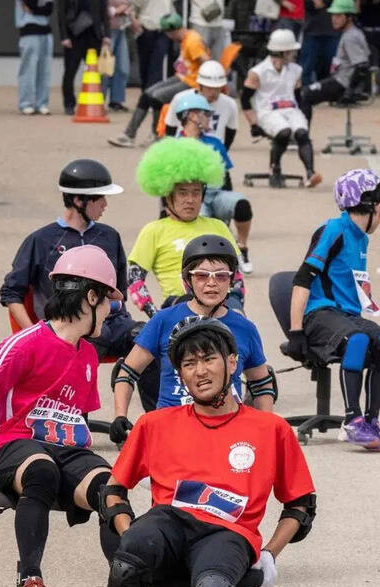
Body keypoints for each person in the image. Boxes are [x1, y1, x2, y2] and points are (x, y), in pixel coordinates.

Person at [88, 317, 316, 587]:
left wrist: (270, 554)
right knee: (126, 564)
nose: (199, 370)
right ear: (180, 375)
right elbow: (113, 491)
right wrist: (128, 535)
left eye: (208, 359)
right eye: (188, 364)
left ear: (231, 362)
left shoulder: (270, 429)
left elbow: (301, 505)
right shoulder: (155, 424)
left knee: (213, 585)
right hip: (169, 522)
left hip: (229, 533)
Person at [0, 246, 126, 587]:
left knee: (111, 490)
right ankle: (30, 582)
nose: (110, 312)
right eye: (107, 303)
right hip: (12, 447)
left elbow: (76, 419)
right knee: (41, 470)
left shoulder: (87, 354)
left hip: (64, 449)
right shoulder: (24, 344)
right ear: (90, 296)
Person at [0, 158, 154, 411]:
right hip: (68, 331)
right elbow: (11, 294)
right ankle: (71, 418)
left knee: (151, 340)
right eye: (99, 198)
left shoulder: (109, 236)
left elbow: (119, 295)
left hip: (110, 325)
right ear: (79, 200)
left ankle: (148, 421)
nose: (105, 204)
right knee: (82, 350)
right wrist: (35, 335)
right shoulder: (40, 240)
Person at [110, 236, 275, 444]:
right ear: (187, 280)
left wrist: (268, 429)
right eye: (202, 275)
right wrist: (120, 416)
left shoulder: (245, 328)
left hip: (227, 428)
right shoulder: (164, 320)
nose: (212, 283)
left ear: (231, 281)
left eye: (221, 276)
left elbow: (262, 385)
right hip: (173, 428)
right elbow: (127, 372)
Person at [287, 169, 380, 452]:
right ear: (376, 206)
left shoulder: (362, 238)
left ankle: (370, 421)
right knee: (358, 340)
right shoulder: (333, 230)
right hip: (319, 313)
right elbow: (303, 278)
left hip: (347, 316)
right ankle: (352, 420)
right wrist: (296, 330)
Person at [127, 138, 243, 315]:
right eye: (182, 193)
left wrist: (235, 307)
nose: (190, 200)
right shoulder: (153, 230)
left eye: (196, 192)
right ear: (167, 195)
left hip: (221, 303)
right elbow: (134, 279)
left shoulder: (218, 226)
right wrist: (155, 315)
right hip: (178, 306)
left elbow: (237, 276)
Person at [173, 94, 258, 272]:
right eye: (206, 114)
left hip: (216, 193)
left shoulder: (215, 143)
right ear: (192, 115)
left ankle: (242, 248)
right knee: (204, 229)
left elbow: (225, 177)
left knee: (242, 205)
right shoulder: (174, 146)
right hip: (193, 197)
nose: (210, 118)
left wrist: (229, 207)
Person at [108, 12, 210, 147]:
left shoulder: (192, 41)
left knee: (157, 97)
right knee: (146, 94)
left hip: (192, 83)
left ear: (171, 32)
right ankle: (129, 135)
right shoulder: (187, 36)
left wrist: (206, 84)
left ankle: (157, 135)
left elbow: (206, 61)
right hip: (183, 77)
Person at [243, 29, 323, 189]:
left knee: (302, 133)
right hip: (268, 111)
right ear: (283, 52)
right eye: (291, 50)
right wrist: (253, 124)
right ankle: (275, 168)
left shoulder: (295, 70)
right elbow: (245, 99)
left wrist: (304, 116)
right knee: (284, 132)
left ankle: (310, 173)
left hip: (291, 109)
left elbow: (298, 97)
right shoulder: (258, 72)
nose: (294, 53)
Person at [299, 0, 371, 119]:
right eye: (332, 15)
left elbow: (362, 66)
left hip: (342, 83)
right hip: (339, 79)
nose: (333, 19)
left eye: (338, 16)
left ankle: (303, 135)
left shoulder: (350, 37)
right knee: (307, 92)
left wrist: (349, 91)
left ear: (349, 17)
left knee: (305, 95)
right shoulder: (351, 33)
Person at [61, 0, 109, 115]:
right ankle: (69, 104)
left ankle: (98, 103)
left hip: (94, 35)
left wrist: (107, 35)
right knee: (70, 71)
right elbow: (61, 13)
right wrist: (64, 37)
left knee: (98, 73)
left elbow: (104, 13)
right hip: (74, 36)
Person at [16, 0, 55, 115]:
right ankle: (26, 103)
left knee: (44, 70)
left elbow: (49, 10)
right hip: (29, 31)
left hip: (46, 32)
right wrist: (38, 8)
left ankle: (42, 103)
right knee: (28, 69)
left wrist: (36, 9)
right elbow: (30, 4)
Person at [299, 0, 339, 87]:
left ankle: (328, 96)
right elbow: (308, 4)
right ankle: (306, 95)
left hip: (332, 32)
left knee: (333, 69)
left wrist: (323, 2)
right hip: (311, 31)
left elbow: (337, 2)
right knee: (306, 70)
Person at [103, 1, 134, 111]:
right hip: (106, 29)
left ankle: (116, 100)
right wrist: (116, 10)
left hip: (121, 28)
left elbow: (129, 3)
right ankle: (99, 99)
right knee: (105, 67)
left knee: (122, 67)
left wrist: (125, 7)